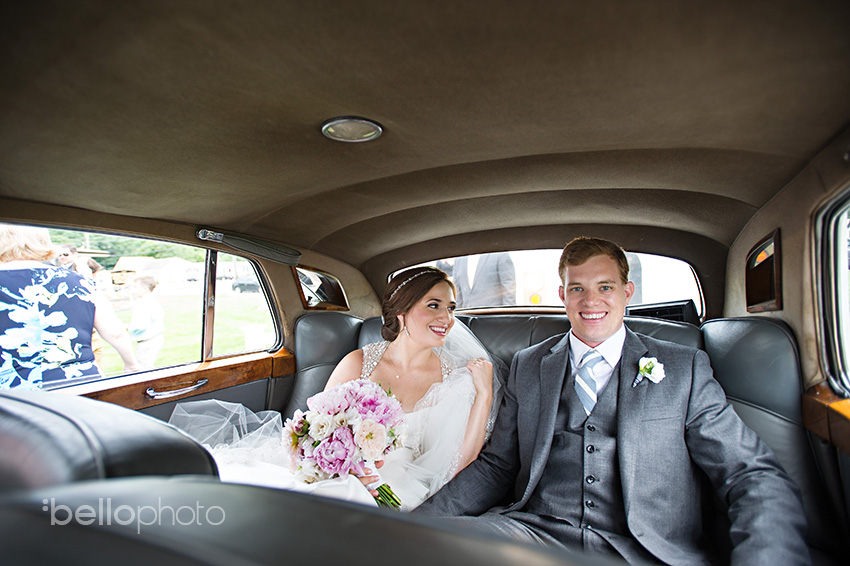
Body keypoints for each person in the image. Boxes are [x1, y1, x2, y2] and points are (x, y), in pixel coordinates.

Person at [415, 237, 809, 565]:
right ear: (562, 295)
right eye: (577, 288)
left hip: (647, 551)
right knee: (426, 550)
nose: (591, 301)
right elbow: (498, 466)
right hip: (532, 537)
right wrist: (416, 523)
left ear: (626, 292)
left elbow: (747, 472)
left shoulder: (683, 368)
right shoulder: (528, 365)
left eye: (605, 287)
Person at [169, 266, 504, 510]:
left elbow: (458, 463)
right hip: (335, 470)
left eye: (450, 308)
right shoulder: (359, 362)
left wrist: (484, 396)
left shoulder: (456, 376)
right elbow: (314, 428)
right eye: (434, 305)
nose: (446, 318)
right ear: (402, 311)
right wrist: (336, 464)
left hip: (398, 484)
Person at [0, 224, 140, 389]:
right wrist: (131, 365)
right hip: (78, 385)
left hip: (12, 391)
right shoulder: (82, 282)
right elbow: (115, 333)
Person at [128, 275, 165, 369]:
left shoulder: (144, 304)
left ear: (144, 288)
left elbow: (140, 325)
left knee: (143, 369)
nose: (133, 290)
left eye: (135, 287)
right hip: (153, 339)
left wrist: (127, 327)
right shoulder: (150, 301)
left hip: (147, 342)